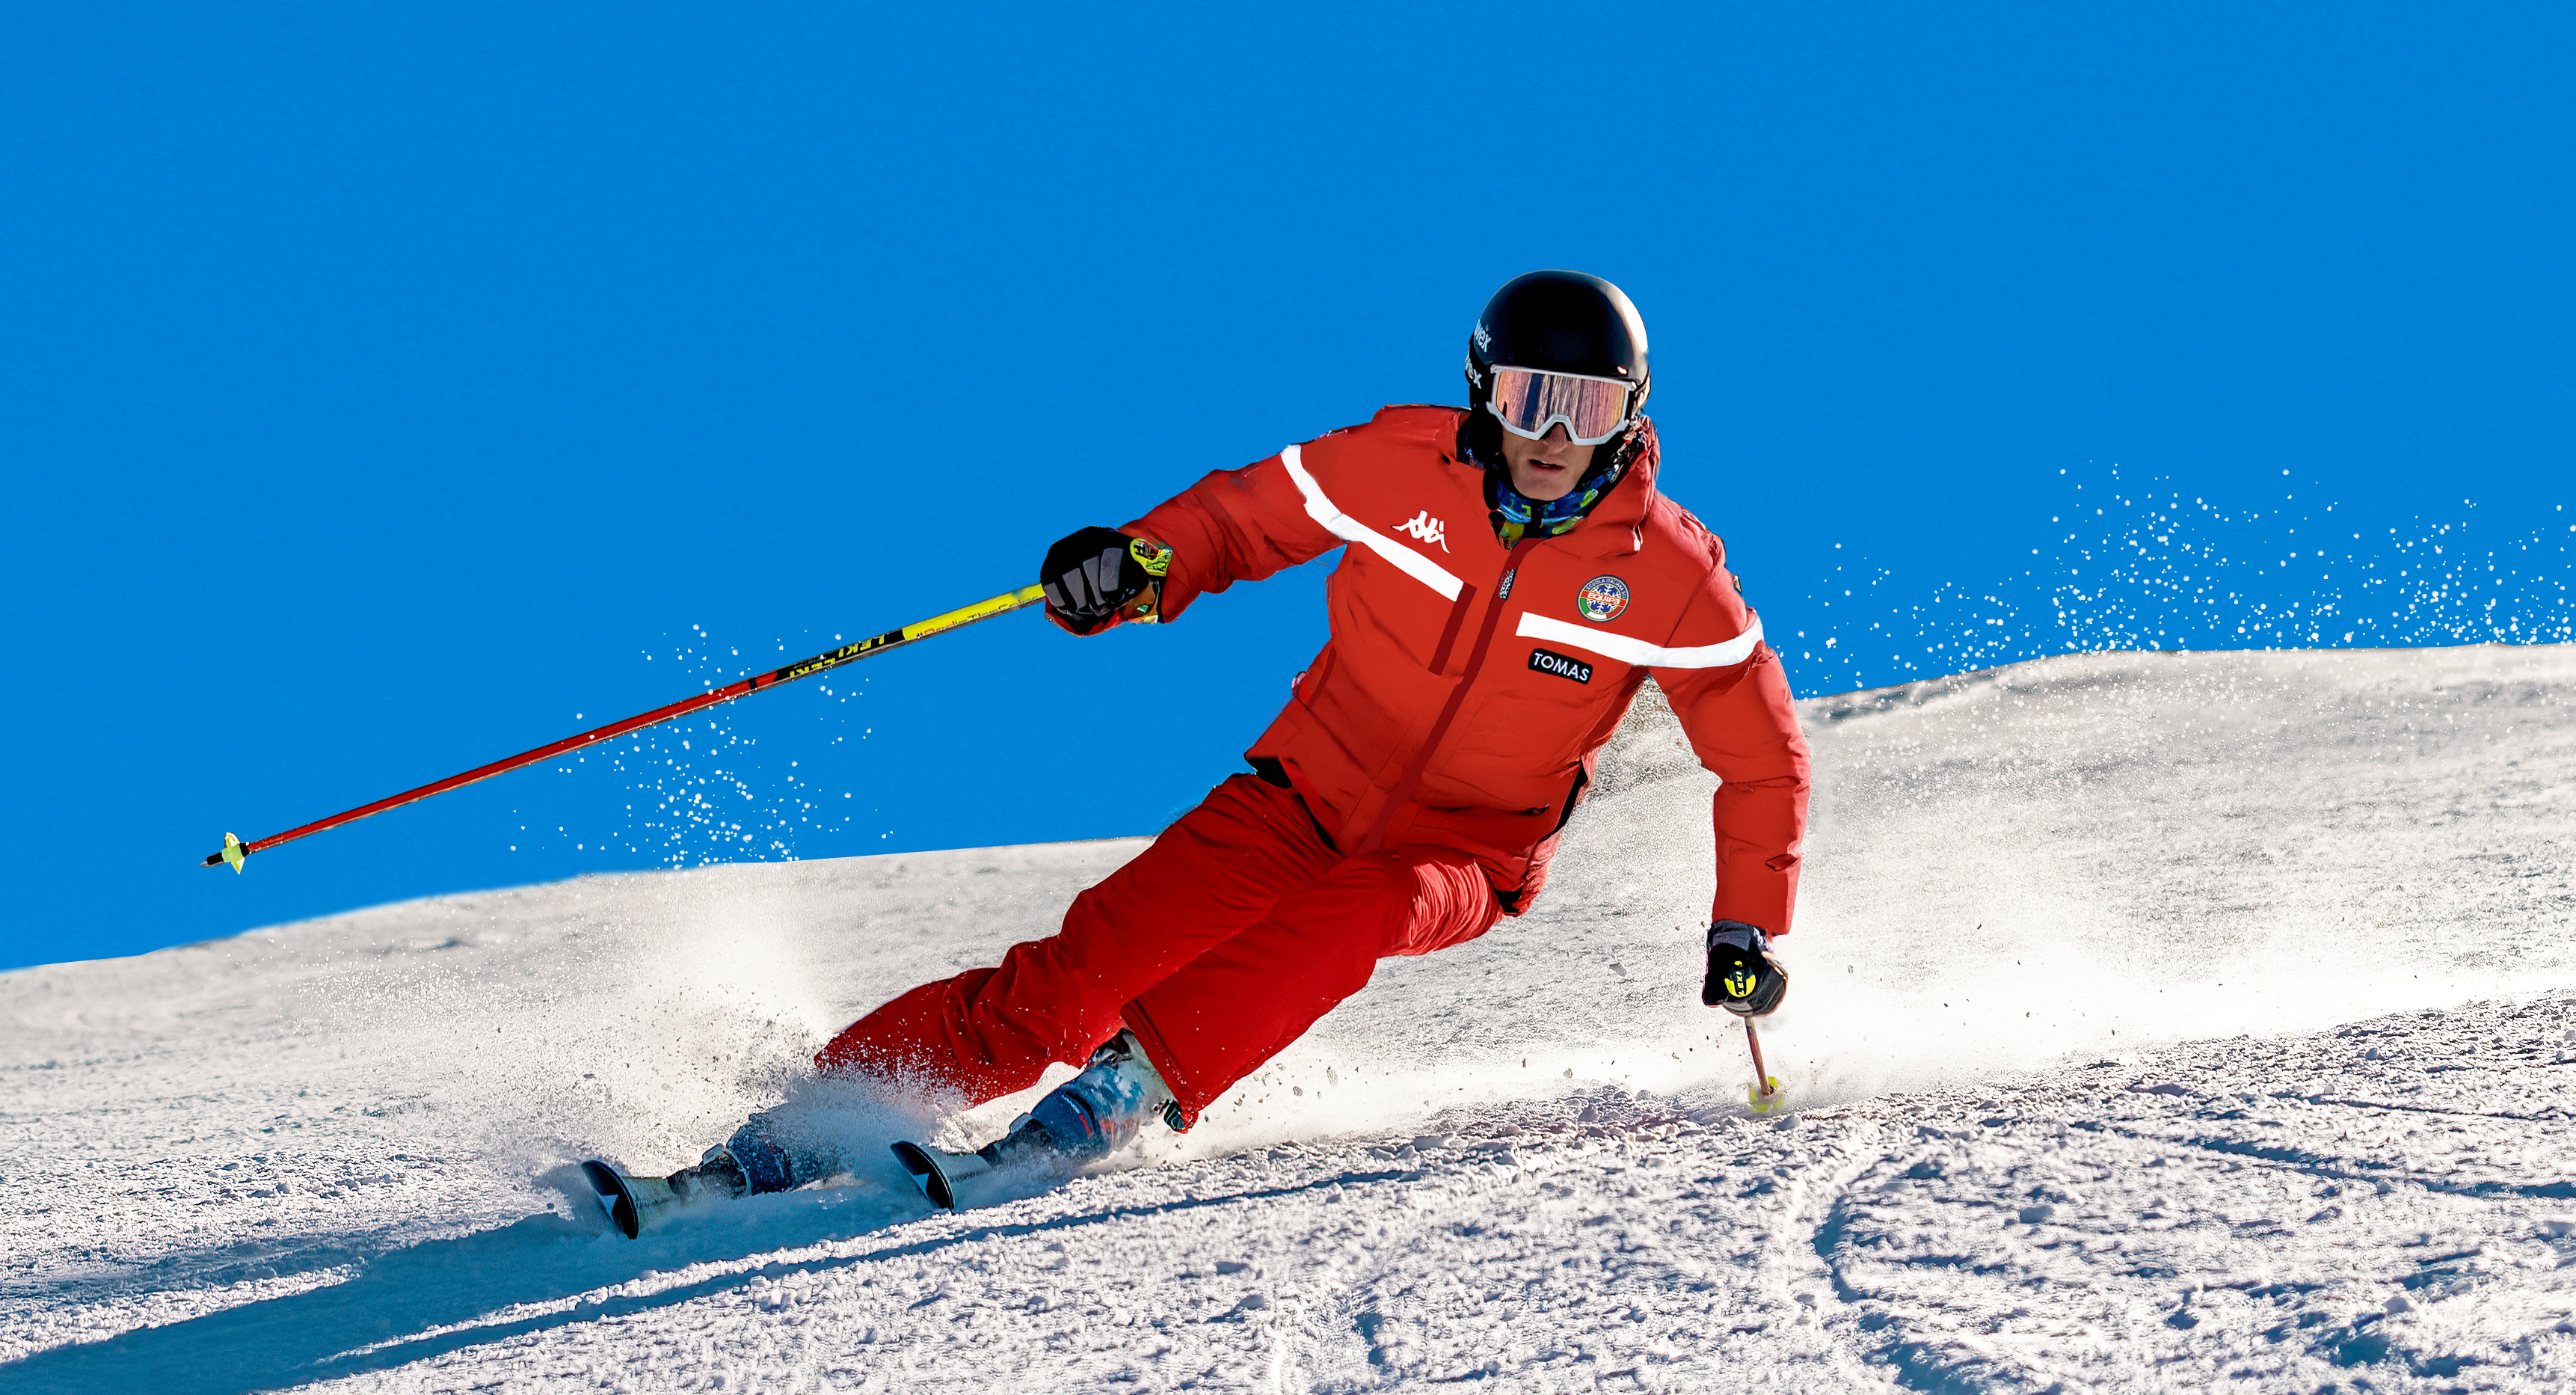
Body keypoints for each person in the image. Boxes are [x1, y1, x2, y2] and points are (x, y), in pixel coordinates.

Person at [590, 272, 1805, 1224]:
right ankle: (811, 1122)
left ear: (1629, 415)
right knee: (1073, 973)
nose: (1552, 434)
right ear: (1482, 389)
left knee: (1368, 906)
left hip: (1465, 850)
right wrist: (1134, 567)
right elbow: (1242, 518)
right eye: (1530, 396)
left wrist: (1745, 924)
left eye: (1585, 408)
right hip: (1296, 798)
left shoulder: (1668, 574)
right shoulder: (1397, 464)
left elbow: (1759, 753)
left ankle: (1121, 1095)